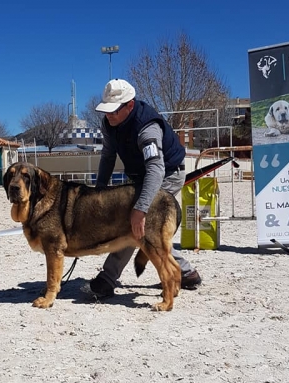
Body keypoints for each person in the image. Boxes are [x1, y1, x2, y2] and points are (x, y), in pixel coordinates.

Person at [83, 78, 202, 298]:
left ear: (129, 105)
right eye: (106, 110)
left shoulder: (147, 128)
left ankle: (107, 278)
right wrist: (98, 190)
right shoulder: (109, 124)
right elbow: (108, 156)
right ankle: (186, 272)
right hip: (140, 176)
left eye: (114, 110)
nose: (109, 115)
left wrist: (141, 208)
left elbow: (156, 170)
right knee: (146, 229)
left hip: (167, 173)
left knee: (137, 224)